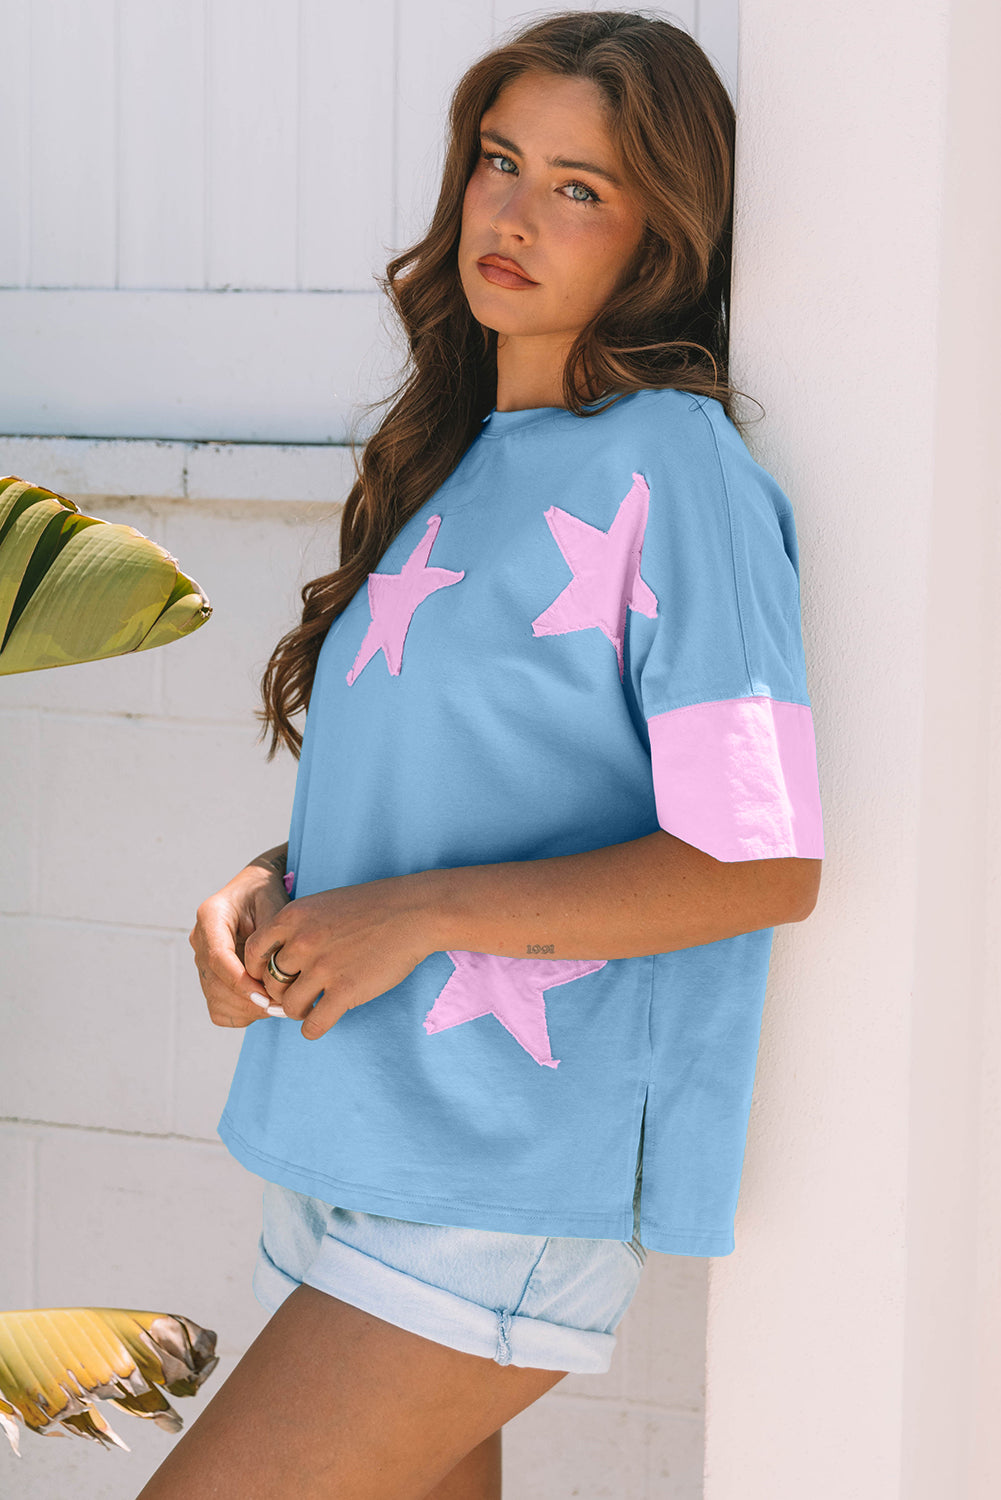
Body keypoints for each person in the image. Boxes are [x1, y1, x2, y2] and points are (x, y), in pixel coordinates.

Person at [141, 11, 824, 1499]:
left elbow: (761, 862)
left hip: (499, 1170)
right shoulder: (452, 458)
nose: (511, 214)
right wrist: (270, 887)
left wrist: (414, 917)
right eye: (500, 162)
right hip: (351, 1126)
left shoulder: (678, 464)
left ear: (661, 234)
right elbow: (448, 793)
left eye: (579, 186)